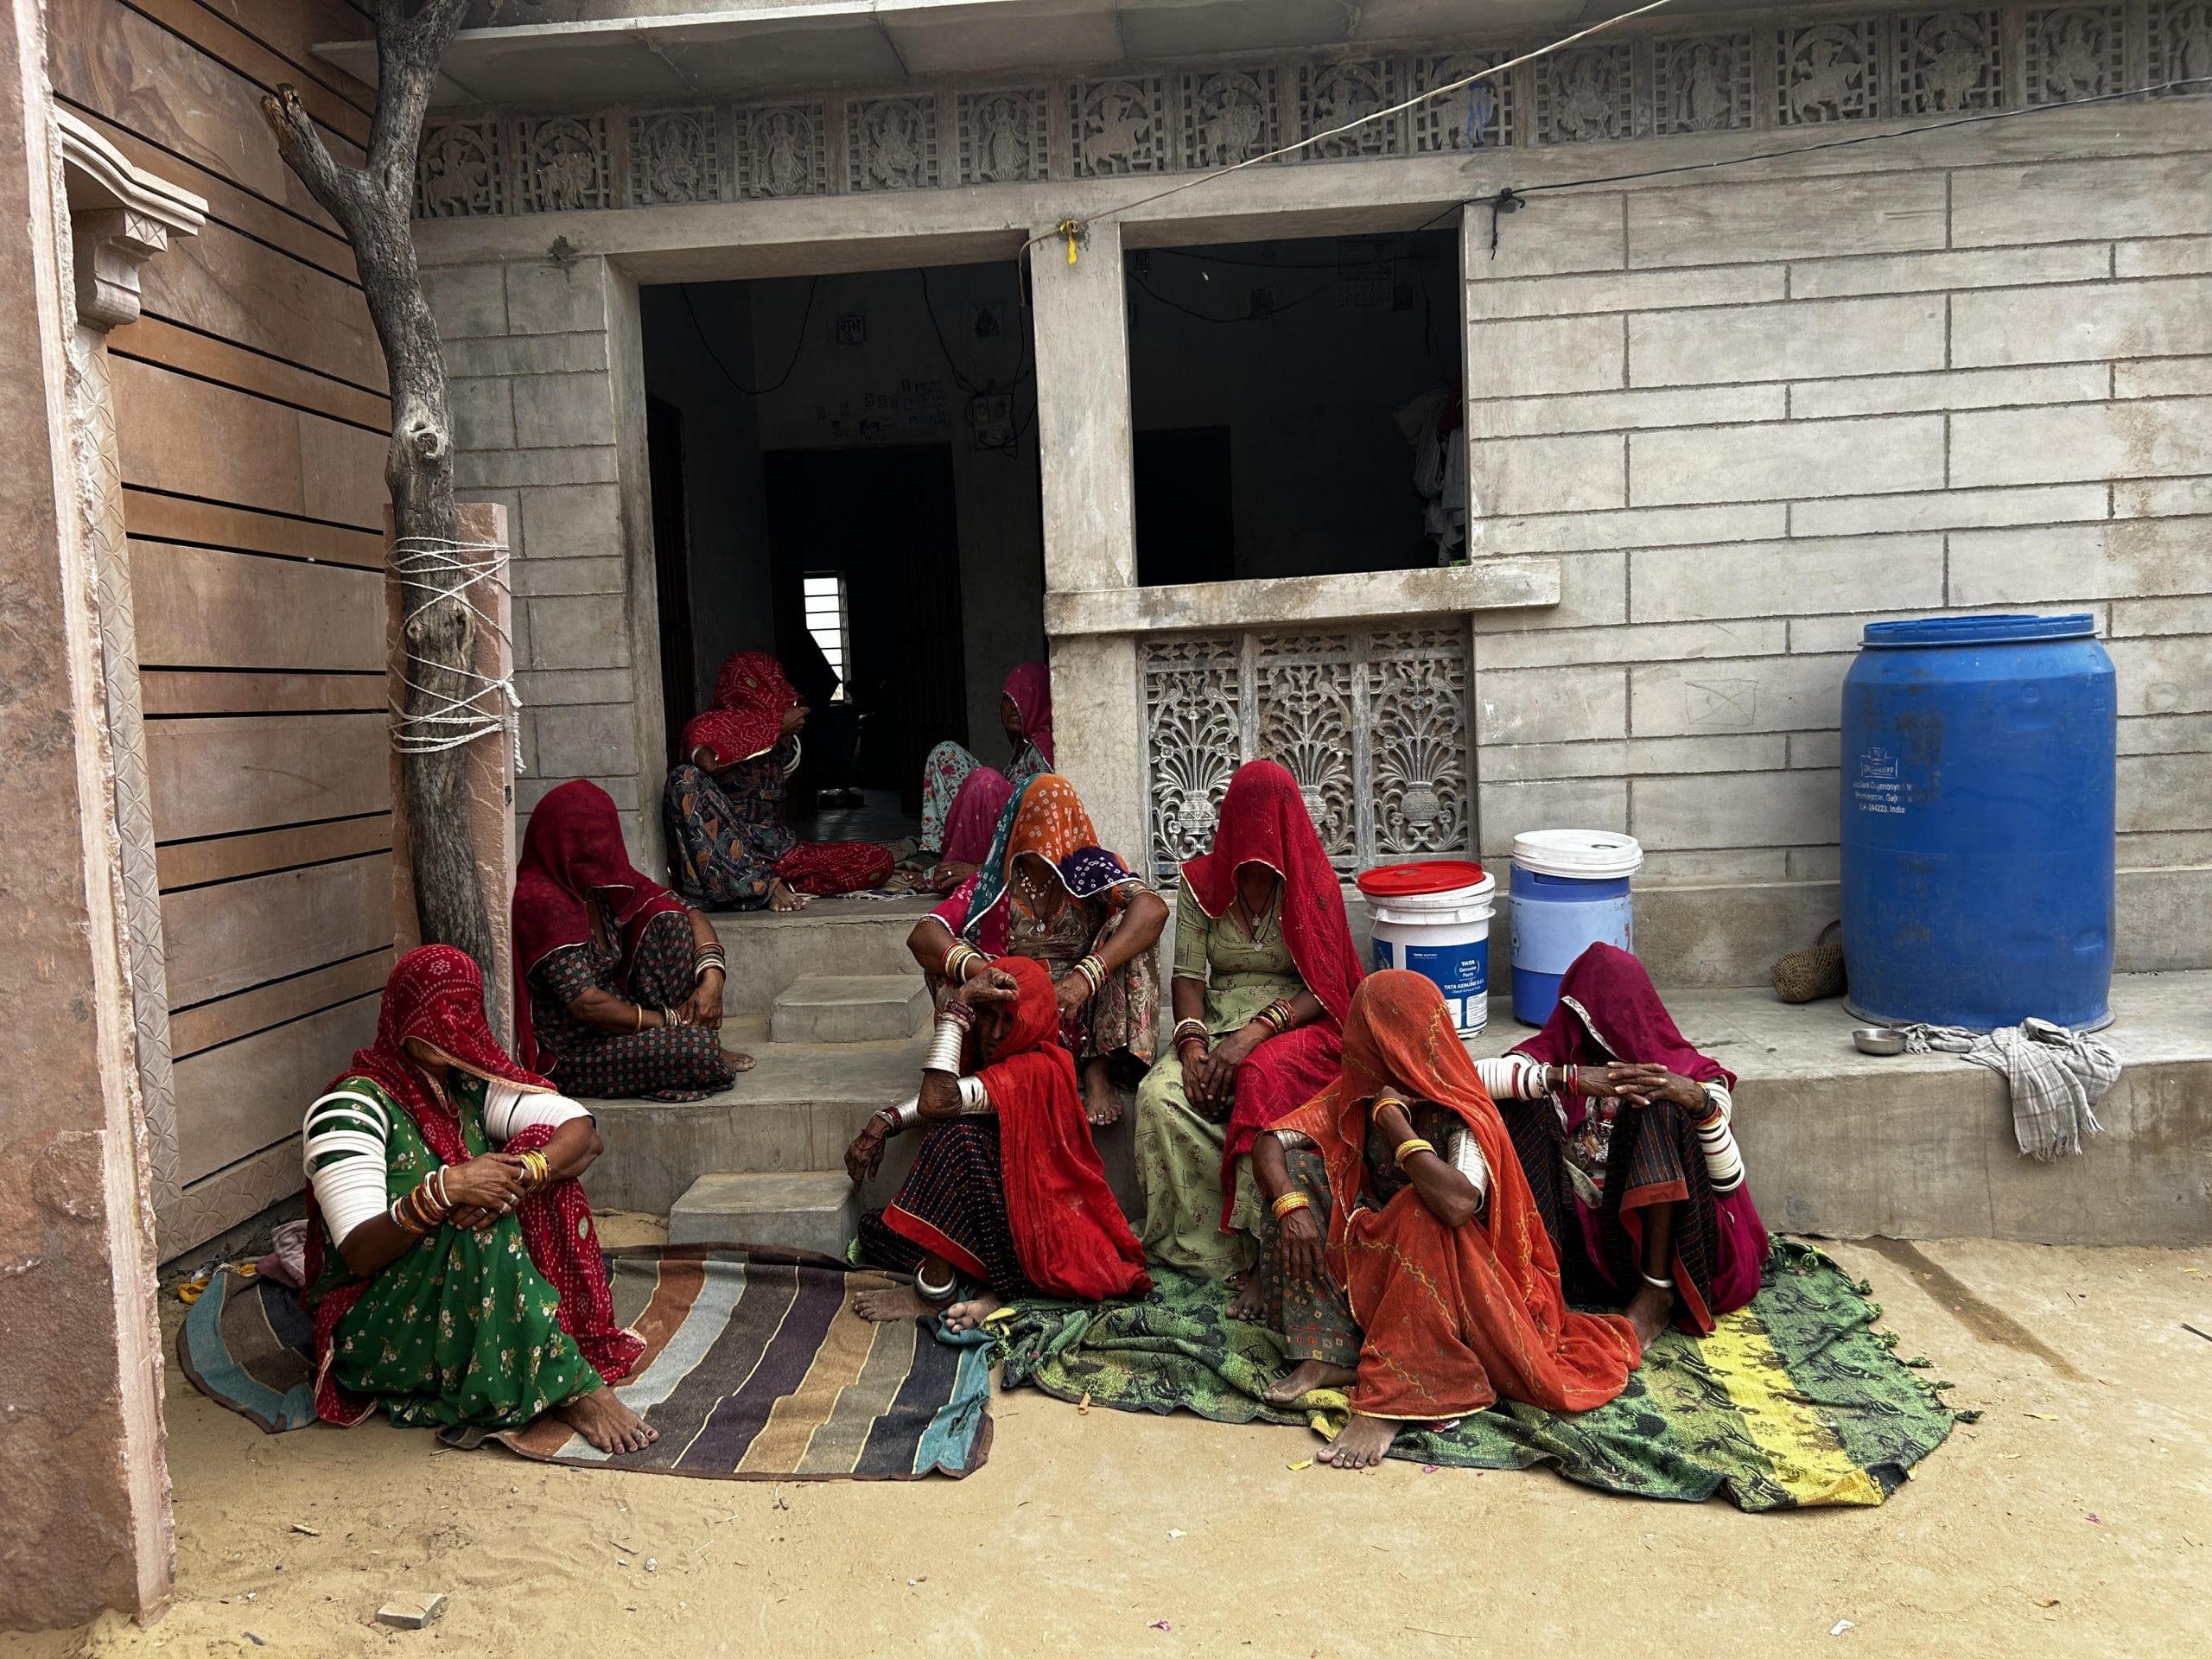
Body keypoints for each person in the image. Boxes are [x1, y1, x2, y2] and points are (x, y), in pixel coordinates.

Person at [1250, 970, 1641, 1471]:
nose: (1353, 1039)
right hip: (1381, 1252)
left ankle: (1404, 1390)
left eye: (1365, 1029)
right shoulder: (1360, 1091)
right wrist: (1290, 1202)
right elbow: (1270, 1141)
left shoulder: (1460, 1110)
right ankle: (1330, 1350)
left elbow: (1458, 1205)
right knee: (1300, 1174)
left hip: (1464, 1272)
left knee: (1420, 1210)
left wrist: (1394, 1126)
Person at [299, 945, 656, 1453]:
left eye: (462, 1013)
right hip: (376, 1323)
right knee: (479, 1223)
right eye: (434, 1016)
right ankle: (573, 1388)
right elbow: (358, 1253)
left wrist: (526, 1175)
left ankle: (545, 1344)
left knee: (537, 1175)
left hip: (450, 1293)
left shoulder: (464, 1089)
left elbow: (582, 1135)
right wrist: (444, 1191)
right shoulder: (351, 1106)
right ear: (401, 1016)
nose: (449, 1029)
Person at [1134, 760, 1363, 1298]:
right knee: (1157, 1096)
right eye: (1248, 820)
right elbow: (1187, 976)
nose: (1259, 837)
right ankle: (1198, 1248)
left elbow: (1328, 986)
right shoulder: (1199, 883)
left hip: (1294, 1023)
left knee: (1256, 1080)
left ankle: (1262, 1249)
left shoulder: (1313, 882)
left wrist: (1259, 1031)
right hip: (1214, 1021)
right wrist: (1192, 1046)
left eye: (1270, 821)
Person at [845, 955, 1152, 1332]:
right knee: (877, 1232)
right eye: (988, 1015)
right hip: (1007, 1219)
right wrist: (888, 1120)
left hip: (1042, 1233)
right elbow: (958, 1095)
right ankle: (991, 1291)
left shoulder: (1036, 1068)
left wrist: (960, 1005)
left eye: (1010, 1021)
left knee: (954, 1140)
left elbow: (938, 1102)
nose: (993, 1033)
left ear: (1034, 1021)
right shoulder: (1001, 1061)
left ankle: (934, 1293)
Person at [1489, 943, 1768, 1339]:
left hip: (1664, 1250)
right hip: (1577, 1249)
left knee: (1660, 1106)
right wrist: (1566, 1077)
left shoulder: (1691, 1071)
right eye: (1588, 1020)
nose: (1602, 1035)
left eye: (1613, 1021)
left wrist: (1696, 1101)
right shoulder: (1557, 1055)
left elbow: (1727, 1184)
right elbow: (1467, 1081)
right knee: (1520, 1100)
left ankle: (1656, 1296)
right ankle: (1538, 1283)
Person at [905, 773, 1167, 1127]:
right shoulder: (994, 884)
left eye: (1055, 822)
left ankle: (1096, 1067)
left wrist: (1085, 977)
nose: (1045, 834)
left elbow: (1153, 908)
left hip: (1079, 1004)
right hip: (1015, 1003)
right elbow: (924, 934)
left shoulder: (1091, 870)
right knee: (947, 961)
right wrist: (986, 974)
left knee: (1134, 935)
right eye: (1036, 822)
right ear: (1018, 823)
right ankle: (1001, 1063)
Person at [514, 779, 749, 1097]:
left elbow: (689, 912)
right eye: (585, 845)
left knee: (669, 919)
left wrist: (712, 981)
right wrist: (670, 1022)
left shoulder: (595, 884)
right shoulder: (542, 899)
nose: (597, 852)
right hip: (576, 1053)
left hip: (624, 1021)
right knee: (697, 1050)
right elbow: (586, 1004)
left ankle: (682, 1042)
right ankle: (688, 1044)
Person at [663, 650, 895, 912]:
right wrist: (774, 729)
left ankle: (756, 886)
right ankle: (763, 887)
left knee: (878, 861)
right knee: (684, 777)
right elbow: (707, 761)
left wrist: (775, 728)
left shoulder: (779, 736)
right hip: (726, 849)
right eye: (768, 684)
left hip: (777, 851)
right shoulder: (707, 725)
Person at [917, 660, 1053, 856]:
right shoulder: (1023, 746)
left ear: (1041, 703)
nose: (1014, 707)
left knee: (986, 780)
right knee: (946, 753)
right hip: (992, 828)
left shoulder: (1044, 750)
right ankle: (939, 853)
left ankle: (962, 859)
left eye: (1025, 697)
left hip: (1011, 844)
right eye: (1009, 699)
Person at [923, 766, 1014, 897]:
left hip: (1013, 830)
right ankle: (946, 862)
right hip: (1007, 785)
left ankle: (979, 873)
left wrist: (981, 870)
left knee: (985, 780)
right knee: (946, 751)